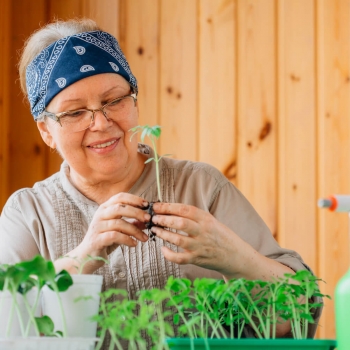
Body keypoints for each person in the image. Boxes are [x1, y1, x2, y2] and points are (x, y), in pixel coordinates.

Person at [0, 18, 320, 340]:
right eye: (74, 112)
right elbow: (8, 324)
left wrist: (234, 257)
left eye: (114, 100)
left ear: (135, 101)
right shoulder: (29, 214)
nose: (101, 123)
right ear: (46, 132)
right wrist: (83, 255)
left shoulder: (200, 188)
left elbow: (294, 320)